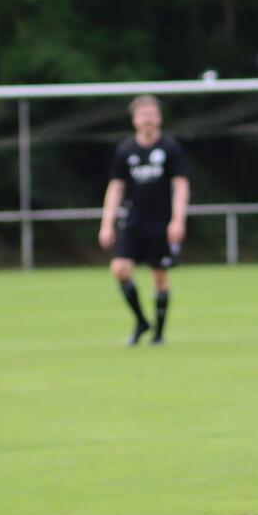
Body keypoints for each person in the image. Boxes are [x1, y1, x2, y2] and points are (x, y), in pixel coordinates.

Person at [97, 95, 189, 346]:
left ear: (158, 118)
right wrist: (106, 223)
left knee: (159, 275)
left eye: (152, 114)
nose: (148, 119)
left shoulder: (170, 148)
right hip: (132, 221)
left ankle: (158, 333)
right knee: (119, 269)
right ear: (134, 120)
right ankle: (140, 321)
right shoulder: (125, 150)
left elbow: (180, 185)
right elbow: (115, 188)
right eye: (143, 115)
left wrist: (178, 219)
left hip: (161, 222)